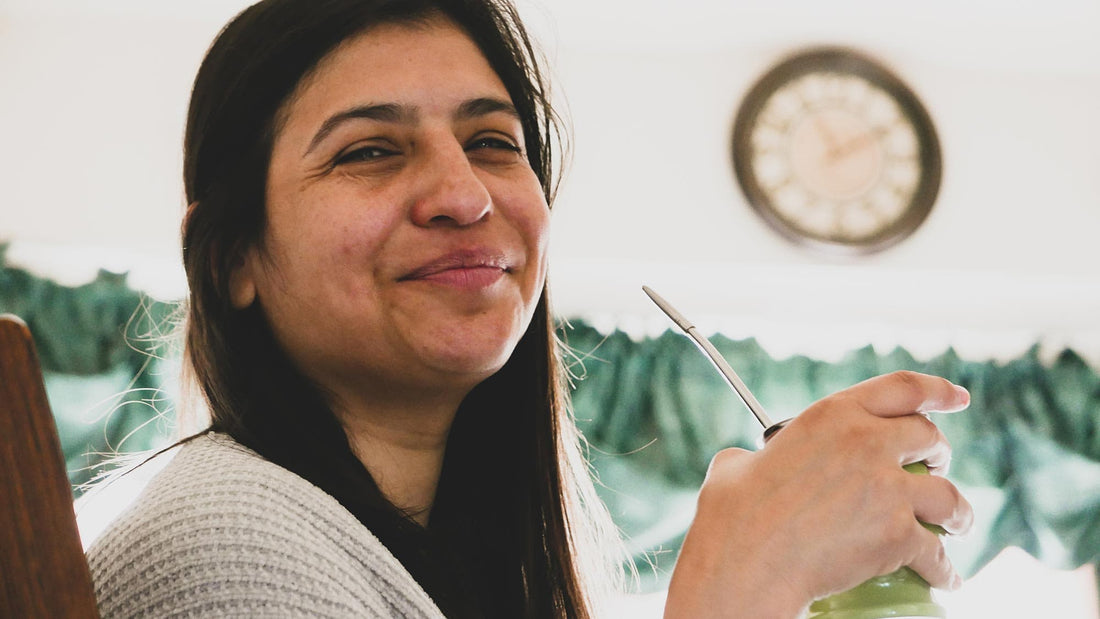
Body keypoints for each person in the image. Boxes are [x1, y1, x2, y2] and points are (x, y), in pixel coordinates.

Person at [85, 0, 974, 617]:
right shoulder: (222, 546)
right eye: (368, 151)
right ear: (234, 255)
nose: (463, 193)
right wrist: (742, 581)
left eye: (491, 142)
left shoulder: (448, 564)